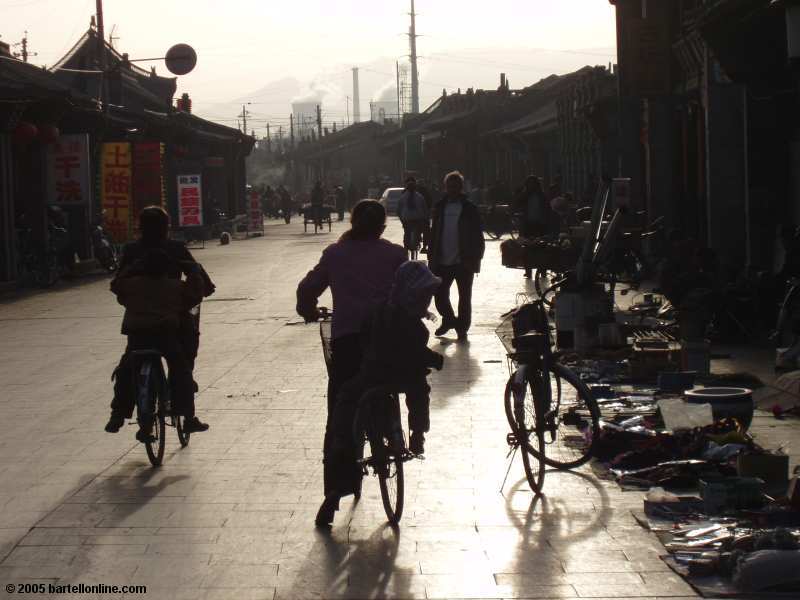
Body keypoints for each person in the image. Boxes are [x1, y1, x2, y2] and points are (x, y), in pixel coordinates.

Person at [316, 261, 444, 527]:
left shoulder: (380, 314)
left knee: (345, 401)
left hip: (373, 377)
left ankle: (339, 466)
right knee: (420, 392)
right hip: (404, 378)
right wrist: (434, 359)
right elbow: (415, 353)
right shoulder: (414, 326)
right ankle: (418, 433)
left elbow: (367, 341)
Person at [296, 200, 407, 503]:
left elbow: (308, 288)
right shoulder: (396, 255)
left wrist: (307, 309)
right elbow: (414, 287)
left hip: (348, 344)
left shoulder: (335, 254)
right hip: (388, 343)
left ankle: (335, 489)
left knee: (340, 415)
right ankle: (394, 435)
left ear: (352, 222)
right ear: (382, 226)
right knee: (391, 386)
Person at [105, 207, 215, 432]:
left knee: (127, 367)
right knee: (182, 362)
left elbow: (117, 284)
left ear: (140, 227)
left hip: (138, 326)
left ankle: (118, 413)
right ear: (167, 227)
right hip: (171, 319)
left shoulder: (132, 250)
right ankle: (187, 415)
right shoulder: (174, 249)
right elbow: (198, 279)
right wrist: (197, 282)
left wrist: (131, 299)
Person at [428, 171, 485, 341]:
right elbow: (434, 232)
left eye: (456, 186)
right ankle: (450, 320)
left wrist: (476, 258)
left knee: (464, 298)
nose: (452, 189)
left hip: (464, 261)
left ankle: (462, 328)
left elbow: (477, 235)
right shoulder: (440, 207)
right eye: (449, 186)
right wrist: (432, 253)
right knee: (439, 294)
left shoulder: (469, 208)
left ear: (461, 187)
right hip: (442, 260)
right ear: (445, 188)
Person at [513, 175, 549, 278]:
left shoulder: (542, 196)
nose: (531, 186)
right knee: (527, 248)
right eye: (529, 184)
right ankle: (528, 271)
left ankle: (543, 270)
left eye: (533, 184)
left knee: (541, 248)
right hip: (527, 225)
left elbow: (547, 209)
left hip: (540, 225)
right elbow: (516, 203)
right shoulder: (525, 196)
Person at [397, 176, 429, 256]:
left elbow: (424, 207)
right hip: (408, 220)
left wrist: (425, 217)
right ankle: (407, 249)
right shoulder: (404, 197)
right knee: (407, 235)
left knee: (424, 230)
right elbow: (399, 210)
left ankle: (424, 246)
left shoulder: (419, 196)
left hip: (417, 220)